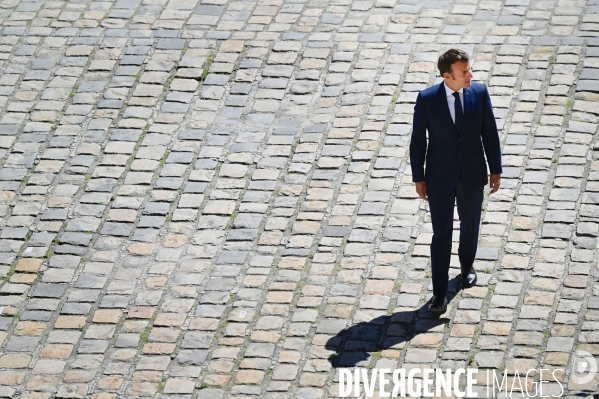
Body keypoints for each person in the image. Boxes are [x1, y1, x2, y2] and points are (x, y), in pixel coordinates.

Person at [409, 48, 502, 313]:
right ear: (448, 76)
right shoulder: (427, 99)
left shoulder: (480, 93)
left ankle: (466, 266)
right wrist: (419, 177)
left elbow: (490, 134)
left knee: (470, 225)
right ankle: (439, 294)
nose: (470, 75)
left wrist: (495, 170)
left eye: (470, 69)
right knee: (442, 235)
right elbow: (418, 142)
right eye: (464, 72)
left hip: (472, 174)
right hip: (439, 176)